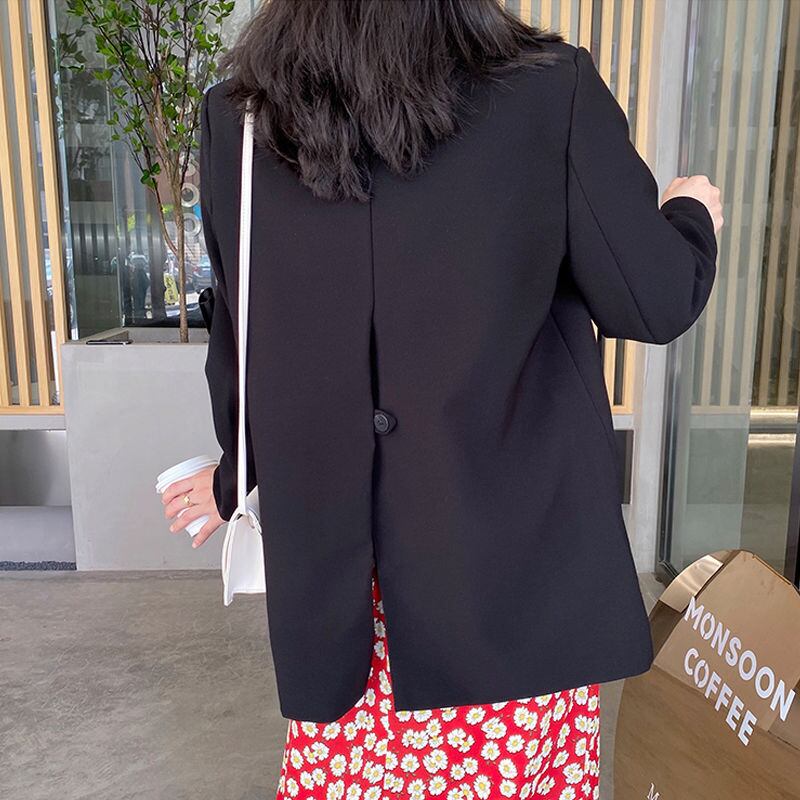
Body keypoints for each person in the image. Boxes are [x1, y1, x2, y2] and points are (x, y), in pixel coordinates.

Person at [161, 1, 723, 797]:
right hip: (509, 582)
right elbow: (651, 300)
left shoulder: (241, 117)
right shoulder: (549, 90)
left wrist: (234, 478)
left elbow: (249, 340)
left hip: (346, 593)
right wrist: (692, 214)